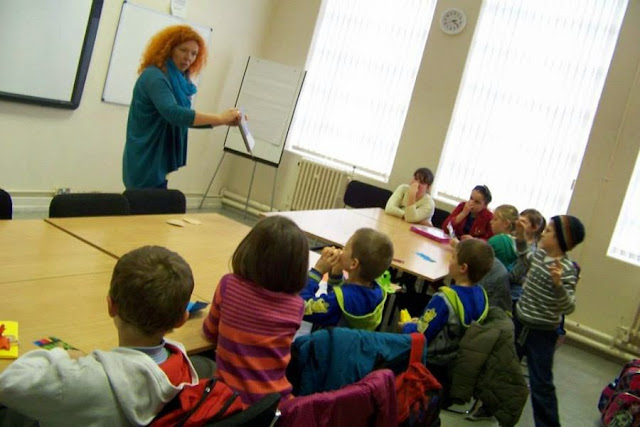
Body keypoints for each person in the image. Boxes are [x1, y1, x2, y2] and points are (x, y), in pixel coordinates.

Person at [0, 246, 198, 426]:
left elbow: (8, 384)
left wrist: (63, 355)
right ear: (181, 319)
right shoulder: (183, 368)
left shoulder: (81, 379)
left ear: (111, 306)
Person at [202, 215, 308, 405]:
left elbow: (210, 333)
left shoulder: (228, 285)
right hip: (274, 405)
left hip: (228, 402)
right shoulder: (297, 306)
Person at [123, 25, 242, 189]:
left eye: (194, 53)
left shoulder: (178, 79)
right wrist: (220, 118)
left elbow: (185, 117)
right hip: (146, 157)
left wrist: (225, 120)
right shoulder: (154, 77)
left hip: (159, 158)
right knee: (146, 201)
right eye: (183, 50)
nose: (188, 57)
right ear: (168, 49)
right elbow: (175, 114)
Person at [513, 215, 585, 427]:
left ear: (562, 239)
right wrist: (521, 238)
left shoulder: (567, 269)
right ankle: (493, 409)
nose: (543, 233)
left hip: (542, 333)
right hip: (520, 322)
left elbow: (569, 307)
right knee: (505, 369)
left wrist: (558, 285)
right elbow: (525, 258)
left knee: (541, 383)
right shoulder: (540, 254)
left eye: (550, 231)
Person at [400, 238, 492, 404]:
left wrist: (407, 326)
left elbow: (422, 335)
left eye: (453, 257)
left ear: (463, 268)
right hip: (452, 363)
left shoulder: (444, 299)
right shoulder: (482, 296)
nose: (450, 261)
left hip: (428, 363)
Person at [301, 228, 393, 331]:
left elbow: (301, 307)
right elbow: (344, 299)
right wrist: (336, 276)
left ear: (353, 264)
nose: (341, 250)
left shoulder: (337, 301)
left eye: (345, 248)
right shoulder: (377, 293)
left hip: (327, 340)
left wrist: (317, 271)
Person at [509, 208, 546, 305]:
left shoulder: (530, 251)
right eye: (518, 220)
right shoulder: (511, 240)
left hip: (512, 295)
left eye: (523, 222)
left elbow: (515, 276)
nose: (518, 224)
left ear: (534, 228)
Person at [487, 204, 519, 269]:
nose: (491, 222)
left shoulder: (498, 240)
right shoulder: (516, 242)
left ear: (506, 223)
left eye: (495, 219)